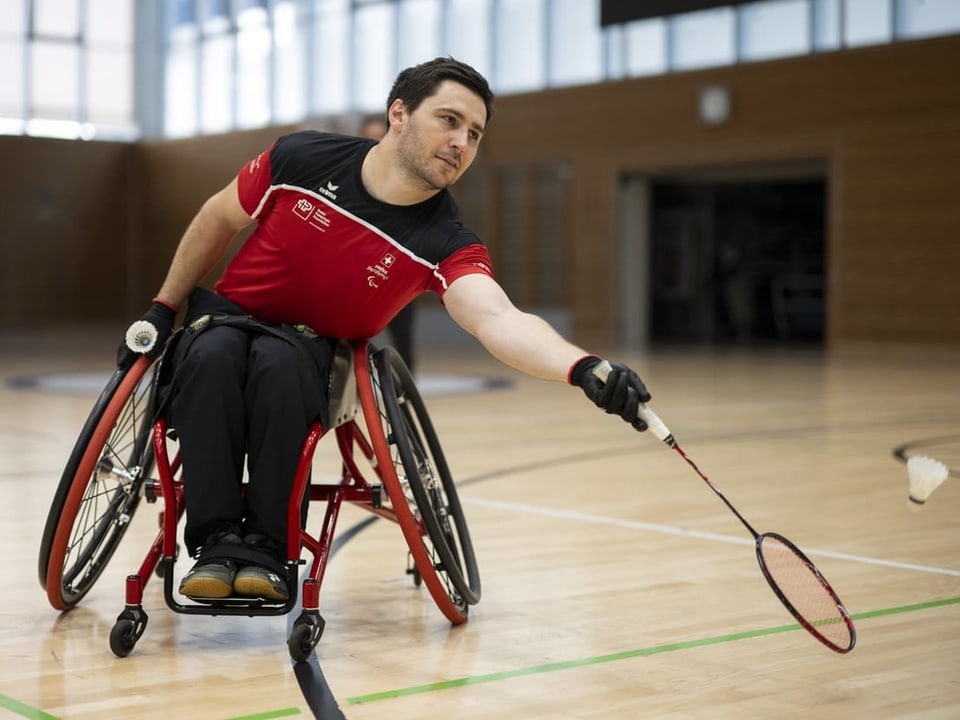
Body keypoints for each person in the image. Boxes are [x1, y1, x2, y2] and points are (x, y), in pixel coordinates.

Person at [118, 57, 651, 603]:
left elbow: (497, 318)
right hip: (228, 317)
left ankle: (264, 551)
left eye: (474, 134)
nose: (461, 142)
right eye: (449, 120)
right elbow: (217, 217)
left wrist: (582, 367)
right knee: (209, 357)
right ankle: (215, 544)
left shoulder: (447, 240)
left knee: (277, 369)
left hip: (313, 347)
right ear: (399, 113)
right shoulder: (300, 156)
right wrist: (162, 307)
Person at [357, 113, 417, 371]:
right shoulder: (352, 176)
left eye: (377, 137)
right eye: (368, 137)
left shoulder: (409, 181)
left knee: (403, 337)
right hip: (357, 274)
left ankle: (404, 392)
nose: (373, 142)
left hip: (395, 273)